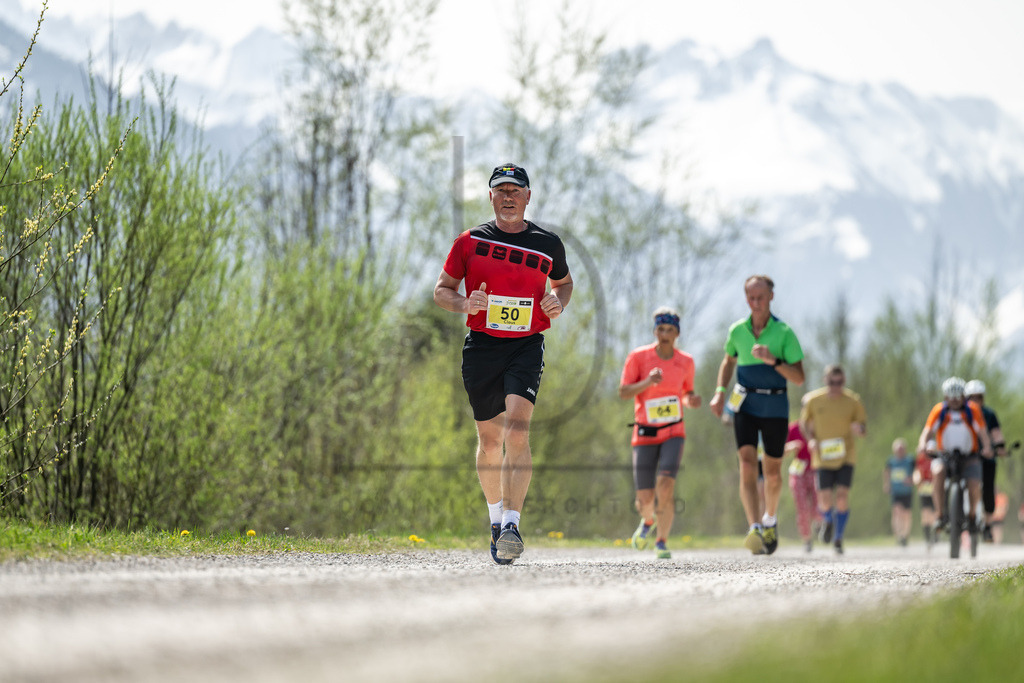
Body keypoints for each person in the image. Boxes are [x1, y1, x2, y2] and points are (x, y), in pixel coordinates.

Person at [433, 163, 573, 565]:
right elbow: (442, 290)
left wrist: (556, 303)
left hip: (526, 346)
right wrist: (463, 303)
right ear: (490, 196)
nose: (508, 196)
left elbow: (564, 285)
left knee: (516, 430)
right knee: (490, 441)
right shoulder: (470, 241)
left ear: (528, 197)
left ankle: (513, 523)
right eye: (501, 190)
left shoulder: (548, 244)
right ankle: (496, 520)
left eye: (516, 190)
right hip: (482, 347)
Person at [709, 275, 805, 555]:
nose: (756, 303)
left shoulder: (784, 332)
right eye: (751, 297)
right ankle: (754, 527)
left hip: (775, 408)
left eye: (760, 297)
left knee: (773, 475)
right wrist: (718, 391)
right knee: (748, 465)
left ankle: (770, 520)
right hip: (746, 406)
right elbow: (729, 359)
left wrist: (772, 360)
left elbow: (799, 377)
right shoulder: (738, 330)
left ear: (771, 297)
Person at [619, 307, 702, 560]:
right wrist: (648, 382)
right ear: (655, 331)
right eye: (660, 329)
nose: (665, 334)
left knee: (666, 486)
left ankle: (662, 542)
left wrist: (691, 400)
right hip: (644, 432)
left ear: (677, 333)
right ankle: (647, 522)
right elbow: (624, 392)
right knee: (644, 498)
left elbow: (686, 393)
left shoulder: (685, 361)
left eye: (670, 330)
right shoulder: (638, 357)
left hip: (673, 431)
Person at [799, 364, 867, 555]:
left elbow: (863, 428)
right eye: (832, 382)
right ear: (825, 381)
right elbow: (804, 424)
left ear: (844, 381)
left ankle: (838, 537)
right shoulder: (814, 400)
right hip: (822, 457)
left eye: (839, 382)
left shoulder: (853, 401)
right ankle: (827, 520)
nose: (836, 386)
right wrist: (811, 440)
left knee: (843, 497)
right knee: (825, 500)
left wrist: (859, 429)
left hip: (846, 455)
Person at [916, 376, 993, 538]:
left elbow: (982, 432)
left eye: (958, 397)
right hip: (945, 455)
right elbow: (927, 431)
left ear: (963, 396)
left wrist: (986, 447)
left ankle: (972, 516)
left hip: (969, 455)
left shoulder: (972, 410)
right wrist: (922, 444)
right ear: (946, 397)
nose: (955, 401)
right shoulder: (939, 411)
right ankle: (939, 515)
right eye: (951, 398)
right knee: (937, 472)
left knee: (974, 484)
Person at [965, 379, 1008, 542]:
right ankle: (959, 515)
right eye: (972, 397)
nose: (975, 401)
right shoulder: (964, 414)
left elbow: (996, 433)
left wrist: (1000, 446)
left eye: (979, 397)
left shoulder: (989, 414)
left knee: (989, 489)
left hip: (987, 457)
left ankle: (988, 526)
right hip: (968, 457)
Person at [784, 418, 819, 552]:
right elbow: (781, 450)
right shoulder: (793, 428)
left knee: (818, 503)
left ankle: (819, 523)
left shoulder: (818, 427)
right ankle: (807, 538)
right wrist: (791, 446)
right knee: (802, 506)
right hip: (798, 471)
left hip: (816, 469)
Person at [883, 438, 915, 547]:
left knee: (906, 514)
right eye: (898, 449)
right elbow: (886, 472)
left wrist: (912, 479)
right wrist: (886, 484)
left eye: (902, 449)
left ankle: (905, 535)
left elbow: (917, 472)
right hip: (896, 491)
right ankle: (899, 535)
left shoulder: (910, 460)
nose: (900, 451)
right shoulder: (891, 461)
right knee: (897, 512)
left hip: (907, 491)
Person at [913, 440, 938, 549]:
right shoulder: (921, 459)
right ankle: (928, 537)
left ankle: (935, 534)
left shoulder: (937, 460)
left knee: (934, 513)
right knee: (925, 513)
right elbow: (917, 472)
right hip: (924, 489)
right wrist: (917, 480)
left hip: (935, 489)